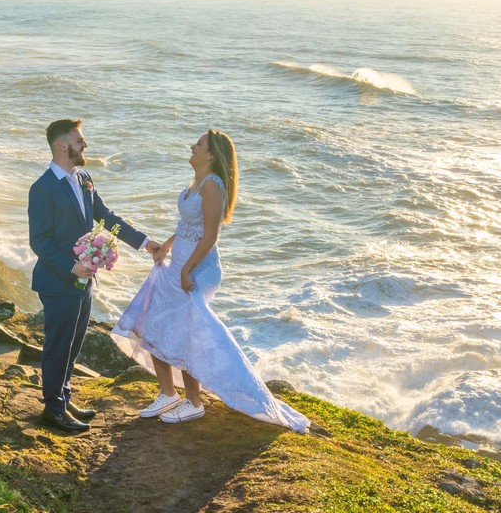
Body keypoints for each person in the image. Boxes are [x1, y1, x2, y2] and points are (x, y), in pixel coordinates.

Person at [111, 129, 309, 432]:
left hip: (199, 269)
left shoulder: (213, 184)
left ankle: (194, 402)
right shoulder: (196, 182)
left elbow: (210, 235)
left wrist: (187, 269)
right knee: (151, 321)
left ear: (212, 154)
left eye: (199, 144)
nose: (193, 146)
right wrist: (167, 245)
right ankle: (168, 393)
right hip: (180, 264)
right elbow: (188, 225)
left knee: (187, 331)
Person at [28, 118, 161, 432]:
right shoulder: (42, 188)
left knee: (73, 343)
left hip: (83, 280)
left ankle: (63, 397)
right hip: (57, 281)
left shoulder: (84, 178)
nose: (85, 144)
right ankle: (52, 409)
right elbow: (39, 241)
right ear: (62, 146)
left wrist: (145, 243)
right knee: (58, 346)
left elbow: (106, 217)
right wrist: (70, 266)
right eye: (79, 140)